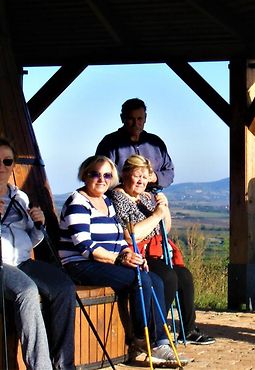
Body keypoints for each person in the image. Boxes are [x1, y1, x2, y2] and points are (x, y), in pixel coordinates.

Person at [58, 155, 189, 367]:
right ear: (84, 175)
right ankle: (142, 337)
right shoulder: (77, 202)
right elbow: (85, 247)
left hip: (104, 261)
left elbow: (119, 239)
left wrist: (131, 254)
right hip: (79, 265)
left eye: (107, 175)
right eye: (95, 174)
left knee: (154, 279)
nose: (101, 179)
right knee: (140, 280)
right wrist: (120, 259)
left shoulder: (107, 203)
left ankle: (161, 341)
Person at [110, 154, 215, 345]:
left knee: (184, 276)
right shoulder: (118, 197)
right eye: (137, 175)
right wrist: (157, 215)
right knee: (168, 276)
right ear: (125, 175)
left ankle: (188, 329)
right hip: (134, 252)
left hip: (155, 251)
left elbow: (164, 228)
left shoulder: (146, 197)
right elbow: (131, 233)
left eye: (145, 176)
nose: (141, 180)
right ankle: (156, 331)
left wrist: (164, 209)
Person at [0, 137, 76, 370]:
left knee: (65, 287)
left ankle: (64, 364)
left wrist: (38, 224)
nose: (1, 167)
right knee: (27, 291)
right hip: (2, 265)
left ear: (13, 165)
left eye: (7, 161)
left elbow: (31, 239)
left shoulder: (18, 197)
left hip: (22, 261)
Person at [96, 98, 174, 190]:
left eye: (139, 119)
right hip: (119, 198)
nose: (136, 123)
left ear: (145, 118)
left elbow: (169, 172)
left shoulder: (156, 143)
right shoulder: (109, 143)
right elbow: (100, 176)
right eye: (131, 119)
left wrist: (155, 177)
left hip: (153, 198)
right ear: (122, 118)